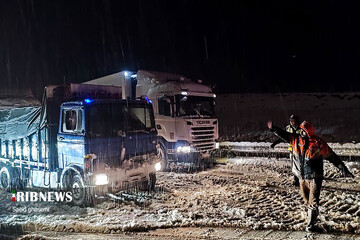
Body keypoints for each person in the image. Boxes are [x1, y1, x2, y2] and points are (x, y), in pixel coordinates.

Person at [267, 120, 354, 231]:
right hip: (302, 177)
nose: (301, 132)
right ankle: (314, 215)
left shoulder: (318, 143)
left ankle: (311, 224)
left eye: (303, 130)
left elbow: (332, 156)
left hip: (315, 177)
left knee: (313, 202)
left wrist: (343, 168)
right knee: (307, 201)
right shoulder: (296, 140)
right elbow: (284, 134)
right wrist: (273, 128)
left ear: (307, 131)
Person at [270, 115, 301, 186]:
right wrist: (275, 143)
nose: (291, 122)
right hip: (292, 150)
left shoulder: (301, 128)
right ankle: (296, 180)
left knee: (300, 165)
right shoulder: (288, 128)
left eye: (293, 120)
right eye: (290, 120)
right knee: (293, 165)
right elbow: (283, 137)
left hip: (300, 150)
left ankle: (301, 180)